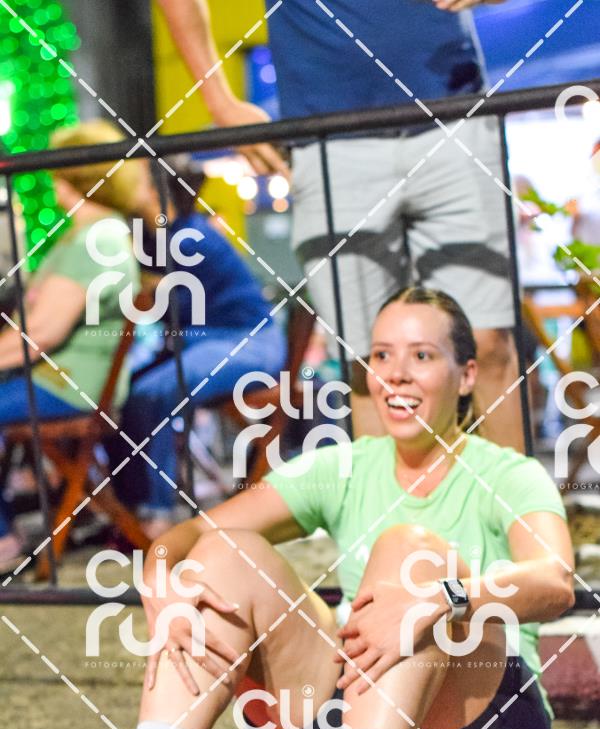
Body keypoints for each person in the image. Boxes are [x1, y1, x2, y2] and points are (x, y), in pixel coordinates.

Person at [9, 288, 573, 729]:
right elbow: (192, 533)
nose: (396, 374)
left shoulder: (508, 473)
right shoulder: (346, 465)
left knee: (410, 550)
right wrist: (160, 581)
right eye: (382, 355)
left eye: (422, 356)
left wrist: (444, 598)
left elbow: (555, 581)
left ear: (465, 376)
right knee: (224, 553)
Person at [154, 0, 523, 452]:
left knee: (487, 345)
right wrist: (219, 101)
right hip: (329, 137)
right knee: (369, 362)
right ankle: (393, 501)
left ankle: (515, 500)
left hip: (455, 116)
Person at [112, 158, 286, 538]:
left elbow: (173, 306)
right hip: (207, 341)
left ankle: (156, 513)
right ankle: (125, 507)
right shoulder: (158, 239)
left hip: (246, 340)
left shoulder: (189, 237)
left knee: (153, 391)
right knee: (127, 390)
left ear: (154, 191)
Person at [0, 119, 141, 572]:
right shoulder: (98, 233)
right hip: (66, 380)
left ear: (73, 175)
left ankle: (2, 539)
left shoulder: (94, 240)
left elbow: (41, 333)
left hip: (67, 385)